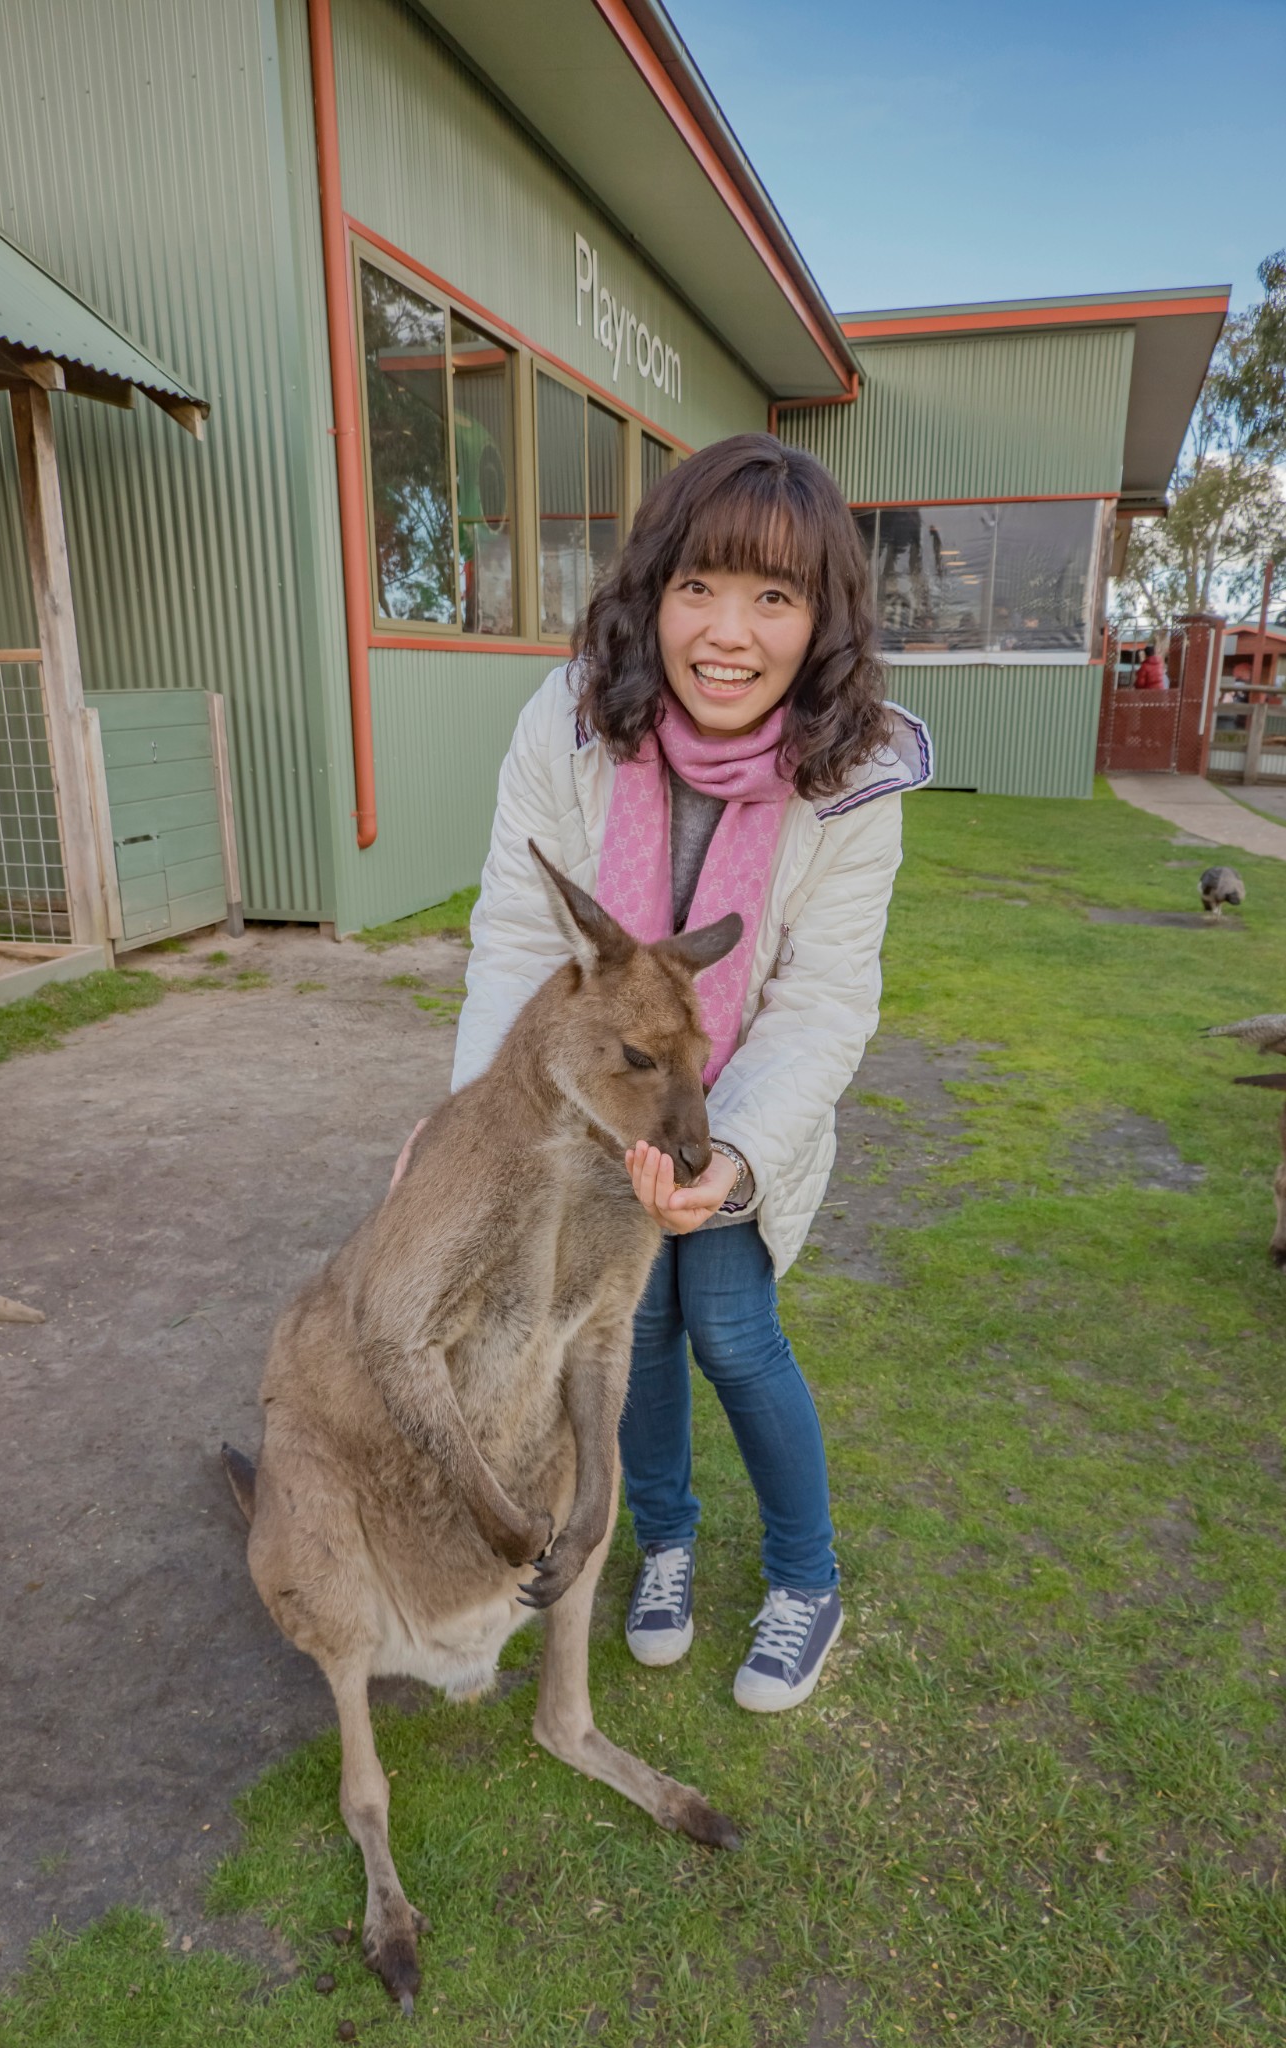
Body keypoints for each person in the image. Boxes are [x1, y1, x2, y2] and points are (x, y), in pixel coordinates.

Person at [437, 434, 931, 1712]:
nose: (727, 631)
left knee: (724, 1321)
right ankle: (661, 1546)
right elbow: (516, 935)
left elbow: (823, 998)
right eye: (700, 584)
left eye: (775, 596)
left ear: (818, 622)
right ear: (652, 588)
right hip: (598, 1110)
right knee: (628, 1327)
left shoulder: (856, 774)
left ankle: (805, 1575)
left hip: (731, 1107)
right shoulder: (572, 720)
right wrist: (469, 1129)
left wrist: (733, 1158)